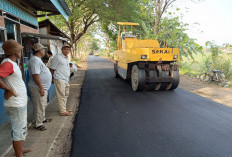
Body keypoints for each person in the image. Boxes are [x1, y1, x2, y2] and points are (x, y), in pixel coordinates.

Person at [0, 39, 32, 156]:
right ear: (14, 51)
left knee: (20, 128)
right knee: (19, 130)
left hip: (18, 103)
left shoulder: (12, 63)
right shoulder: (8, 63)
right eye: (19, 50)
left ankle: (20, 149)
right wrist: (8, 89)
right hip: (16, 104)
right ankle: (19, 154)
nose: (21, 52)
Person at [28, 43, 52, 131]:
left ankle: (42, 118)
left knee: (42, 104)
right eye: (43, 50)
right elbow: (35, 75)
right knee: (39, 106)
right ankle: (38, 124)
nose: (44, 51)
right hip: (37, 87)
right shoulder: (34, 60)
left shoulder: (38, 59)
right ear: (39, 51)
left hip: (41, 87)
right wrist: (41, 88)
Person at [50, 43, 72, 116]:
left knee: (66, 94)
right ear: (61, 49)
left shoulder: (66, 58)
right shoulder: (57, 57)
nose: (66, 50)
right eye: (65, 49)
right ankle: (62, 111)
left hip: (66, 79)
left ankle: (63, 108)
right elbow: (52, 68)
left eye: (68, 49)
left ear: (69, 50)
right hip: (59, 79)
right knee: (61, 95)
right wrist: (52, 78)